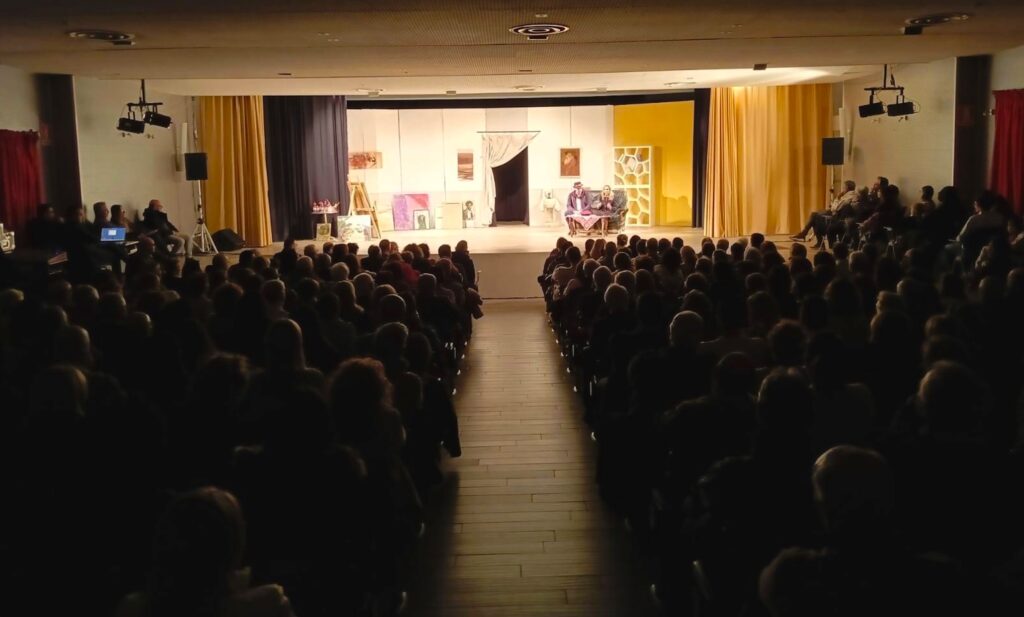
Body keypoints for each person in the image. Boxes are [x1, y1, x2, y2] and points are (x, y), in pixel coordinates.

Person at [791, 180, 857, 247]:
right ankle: (807, 235)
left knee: (814, 216)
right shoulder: (849, 195)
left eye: (843, 187)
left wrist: (837, 198)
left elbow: (835, 208)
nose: (842, 189)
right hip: (836, 214)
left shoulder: (848, 196)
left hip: (837, 217)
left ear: (847, 188)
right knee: (814, 216)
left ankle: (809, 236)